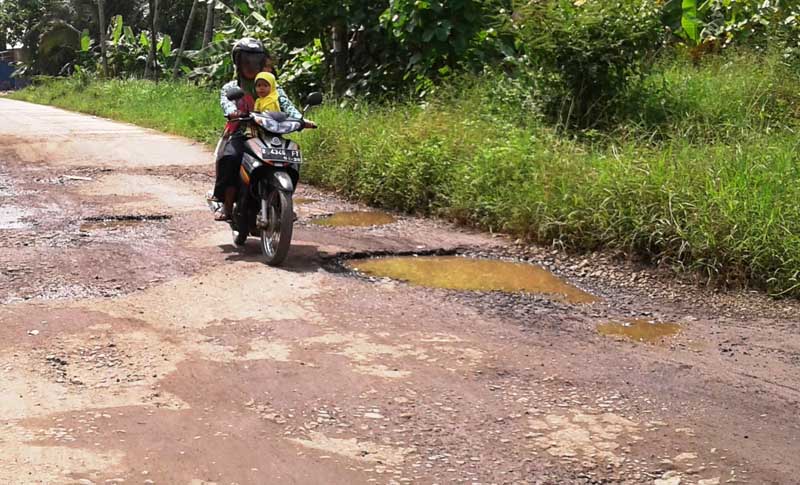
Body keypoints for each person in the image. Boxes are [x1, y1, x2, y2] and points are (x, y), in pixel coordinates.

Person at [212, 38, 315, 221]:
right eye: (246, 61)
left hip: (270, 133)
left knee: (291, 158)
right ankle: (226, 206)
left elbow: (286, 104)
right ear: (238, 62)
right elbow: (226, 102)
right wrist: (233, 112)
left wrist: (301, 119)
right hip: (241, 133)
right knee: (230, 158)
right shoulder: (231, 87)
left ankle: (283, 201)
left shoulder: (270, 85)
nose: (250, 66)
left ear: (261, 62)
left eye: (255, 61)